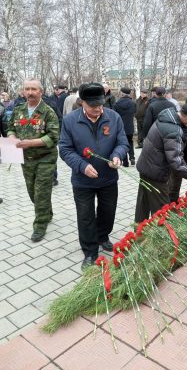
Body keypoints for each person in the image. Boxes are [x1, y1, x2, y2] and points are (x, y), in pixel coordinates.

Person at [59, 82, 129, 269]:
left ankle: (102, 236)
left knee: (108, 211)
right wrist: (82, 166)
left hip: (108, 177)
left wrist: (117, 155)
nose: (98, 109)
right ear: (82, 102)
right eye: (93, 106)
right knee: (85, 216)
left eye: (101, 104)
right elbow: (65, 150)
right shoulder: (70, 121)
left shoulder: (113, 117)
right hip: (83, 180)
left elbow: (122, 143)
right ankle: (90, 252)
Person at [135, 103, 187, 223]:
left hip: (146, 168)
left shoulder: (167, 117)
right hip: (156, 174)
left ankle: (137, 237)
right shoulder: (173, 130)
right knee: (162, 212)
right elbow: (177, 163)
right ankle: (161, 239)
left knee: (142, 206)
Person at [7, 79, 60, 241]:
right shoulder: (18, 110)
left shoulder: (48, 112)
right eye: (27, 89)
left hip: (45, 158)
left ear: (40, 92)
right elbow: (10, 128)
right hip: (26, 158)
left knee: (41, 192)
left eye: (33, 89)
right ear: (23, 91)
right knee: (32, 192)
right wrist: (12, 138)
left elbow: (53, 136)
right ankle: (47, 212)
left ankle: (40, 225)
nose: (29, 92)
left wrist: (30, 143)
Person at [114, 87, 136, 166]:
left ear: (122, 93)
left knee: (122, 144)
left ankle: (125, 162)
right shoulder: (133, 103)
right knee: (130, 142)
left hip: (121, 127)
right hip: (130, 126)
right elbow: (134, 113)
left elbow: (114, 116)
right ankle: (132, 158)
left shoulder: (117, 103)